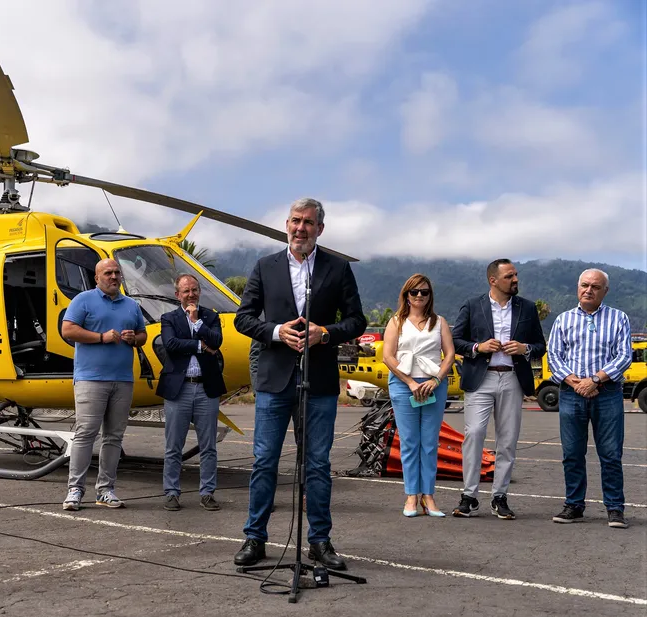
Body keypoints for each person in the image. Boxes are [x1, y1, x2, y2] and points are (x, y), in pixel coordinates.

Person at [233, 197, 367, 569]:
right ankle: (255, 538)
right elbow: (243, 319)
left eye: (308, 222)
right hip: (274, 380)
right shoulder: (265, 266)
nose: (300, 228)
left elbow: (356, 321)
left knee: (318, 464)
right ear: (286, 224)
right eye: (295, 221)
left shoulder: (337, 268)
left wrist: (324, 334)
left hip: (319, 381)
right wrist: (276, 332)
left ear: (320, 229)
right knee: (263, 461)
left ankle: (320, 542)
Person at [451, 259, 547, 519]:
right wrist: (477, 348)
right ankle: (469, 496)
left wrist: (525, 348)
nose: (515, 280)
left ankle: (499, 496)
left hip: (513, 379)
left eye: (515, 275)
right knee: (474, 434)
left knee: (508, 439)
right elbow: (456, 340)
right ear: (493, 280)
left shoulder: (526, 307)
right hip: (481, 379)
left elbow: (540, 345)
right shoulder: (473, 305)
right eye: (509, 276)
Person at [547, 269, 632, 528]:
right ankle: (574, 505)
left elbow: (624, 356)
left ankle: (615, 508)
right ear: (577, 287)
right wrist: (578, 383)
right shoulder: (563, 320)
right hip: (572, 394)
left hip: (607, 393)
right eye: (585, 285)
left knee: (610, 454)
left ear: (605, 291)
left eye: (596, 286)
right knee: (572, 453)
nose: (589, 290)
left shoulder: (619, 318)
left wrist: (595, 380)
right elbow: (554, 358)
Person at [60, 258, 147, 511]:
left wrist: (134, 338)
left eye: (117, 272)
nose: (113, 276)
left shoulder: (131, 305)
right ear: (97, 278)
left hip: (122, 380)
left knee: (114, 437)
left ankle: (106, 490)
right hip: (90, 379)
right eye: (107, 273)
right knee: (86, 433)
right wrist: (101, 337)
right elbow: (67, 330)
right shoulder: (83, 300)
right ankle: (75, 490)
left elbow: (143, 335)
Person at [382, 274, 456, 517]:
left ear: (430, 295)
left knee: (429, 443)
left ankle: (429, 497)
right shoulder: (396, 322)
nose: (419, 296)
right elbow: (389, 357)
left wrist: (436, 380)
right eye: (414, 292)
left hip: (434, 385)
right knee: (410, 442)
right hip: (405, 385)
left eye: (424, 292)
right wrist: (411, 382)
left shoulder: (440, 322)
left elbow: (449, 354)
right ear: (406, 295)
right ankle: (411, 496)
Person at [157, 273, 226, 512]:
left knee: (208, 446)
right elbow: (171, 344)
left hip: (206, 389)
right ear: (177, 295)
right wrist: (199, 345)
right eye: (186, 291)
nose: (191, 294)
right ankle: (171, 492)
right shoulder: (169, 318)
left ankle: (207, 493)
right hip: (179, 389)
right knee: (174, 445)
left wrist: (197, 323)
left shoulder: (210, 317)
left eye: (195, 290)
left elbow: (217, 342)